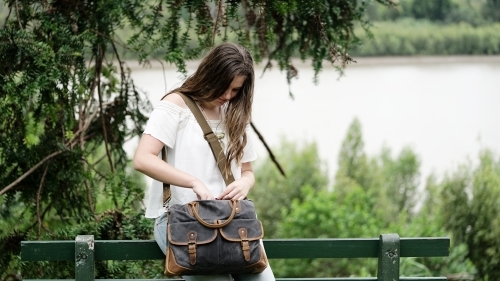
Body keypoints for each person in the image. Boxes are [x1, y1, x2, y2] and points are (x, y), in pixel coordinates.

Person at [133, 42, 275, 281]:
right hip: (185, 223)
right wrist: (193, 182)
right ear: (210, 74)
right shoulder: (175, 106)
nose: (228, 96)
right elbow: (143, 159)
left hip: (234, 222)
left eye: (236, 90)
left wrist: (245, 184)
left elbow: (248, 170)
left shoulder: (234, 112)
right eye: (224, 87)